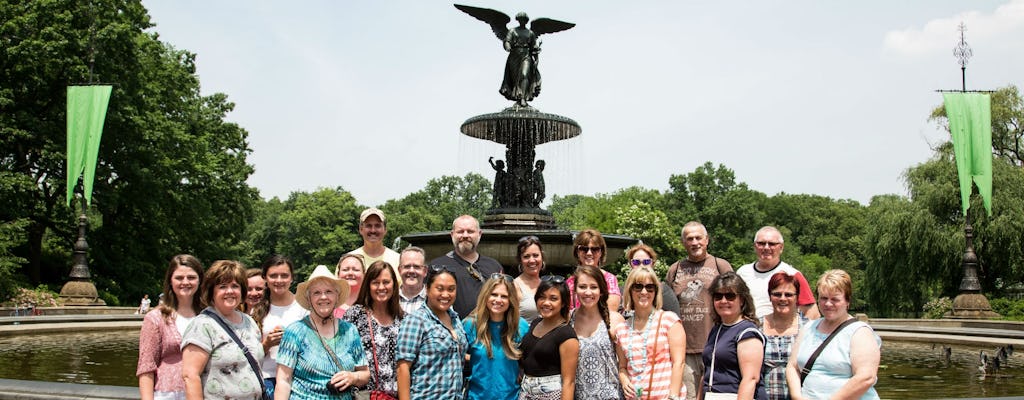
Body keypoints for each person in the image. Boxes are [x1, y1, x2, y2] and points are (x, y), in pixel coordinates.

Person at [275, 265, 370, 399]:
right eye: (316, 293)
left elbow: (365, 374)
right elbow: (283, 380)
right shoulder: (295, 331)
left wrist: (353, 377)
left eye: (329, 291)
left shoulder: (350, 330)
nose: (323, 297)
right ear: (309, 299)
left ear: (337, 297)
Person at [664, 221, 734, 400]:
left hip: (716, 346)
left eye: (698, 238)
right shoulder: (675, 269)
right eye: (689, 239)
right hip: (684, 351)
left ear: (707, 240)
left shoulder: (720, 265)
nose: (695, 242)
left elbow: (736, 301)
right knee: (688, 396)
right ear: (683, 243)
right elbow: (665, 308)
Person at [785, 270, 880, 400]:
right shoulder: (808, 328)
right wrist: (797, 397)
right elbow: (792, 366)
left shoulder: (860, 332)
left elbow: (866, 377)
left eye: (835, 299)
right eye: (823, 298)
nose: (828, 304)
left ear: (847, 301)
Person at [181, 260, 264, 400]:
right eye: (223, 286)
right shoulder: (202, 325)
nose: (230, 291)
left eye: (235, 286)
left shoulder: (249, 322)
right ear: (211, 291)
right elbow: (190, 375)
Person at [396, 265, 469, 400]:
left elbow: (455, 354)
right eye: (439, 289)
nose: (446, 295)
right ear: (428, 290)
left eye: (451, 289)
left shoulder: (455, 319)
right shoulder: (416, 321)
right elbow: (403, 368)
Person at [137, 254, 203, 400]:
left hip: (204, 392)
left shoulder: (207, 316)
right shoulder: (156, 318)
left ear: (200, 280)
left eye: (191, 277)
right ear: (170, 281)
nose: (185, 282)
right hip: (168, 393)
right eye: (179, 278)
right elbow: (146, 367)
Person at [614, 267, 685, 400]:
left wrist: (673, 396)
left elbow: (679, 363)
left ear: (656, 291)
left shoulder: (669, 320)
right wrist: (624, 381)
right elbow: (622, 367)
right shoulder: (621, 329)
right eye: (638, 287)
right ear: (630, 290)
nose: (644, 291)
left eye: (650, 287)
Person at [342, 260, 405, 399]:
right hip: (364, 395)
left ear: (394, 285)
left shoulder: (403, 319)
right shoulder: (355, 315)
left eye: (386, 282)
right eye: (375, 282)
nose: (381, 287)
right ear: (368, 285)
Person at [702, 272, 767, 400]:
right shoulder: (717, 329)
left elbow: (750, 379)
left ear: (742, 300)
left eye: (730, 296)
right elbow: (707, 372)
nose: (723, 301)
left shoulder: (748, 333)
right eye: (718, 296)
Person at [463, 274, 529, 400]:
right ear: (486, 296)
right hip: (477, 396)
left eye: (504, 296)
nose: (498, 300)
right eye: (493, 294)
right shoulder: (470, 324)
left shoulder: (521, 326)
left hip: (511, 396)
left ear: (511, 300)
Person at [250, 255, 307, 397]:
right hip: (268, 377)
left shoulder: (303, 307)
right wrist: (267, 344)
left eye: (284, 276)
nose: (279, 280)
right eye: (273, 276)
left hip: (298, 378)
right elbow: (251, 353)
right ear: (265, 278)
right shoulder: (256, 310)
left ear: (292, 278)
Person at [429, 215, 504, 318]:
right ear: (452, 235)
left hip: (487, 330)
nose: (465, 235)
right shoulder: (437, 266)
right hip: (450, 329)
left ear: (479, 234)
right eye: (460, 232)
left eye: (470, 231)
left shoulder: (494, 266)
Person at [736, 227, 818, 320]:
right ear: (755, 246)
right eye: (761, 243)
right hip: (747, 330)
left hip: (777, 331)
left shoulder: (792, 274)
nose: (766, 247)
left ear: (781, 247)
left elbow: (812, 313)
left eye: (772, 244)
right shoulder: (742, 272)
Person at [519, 275, 579, 400]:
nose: (546, 303)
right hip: (526, 393)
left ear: (563, 303)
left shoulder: (566, 334)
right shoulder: (535, 323)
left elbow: (569, 382)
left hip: (551, 395)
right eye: (542, 297)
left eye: (553, 298)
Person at [571, 265, 625, 400]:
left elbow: (625, 366)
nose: (588, 292)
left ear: (601, 291)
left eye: (593, 287)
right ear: (575, 290)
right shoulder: (567, 320)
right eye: (582, 287)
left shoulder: (615, 320)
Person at [760, 273, 808, 400]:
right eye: (777, 294)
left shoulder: (809, 328)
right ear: (770, 296)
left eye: (788, 294)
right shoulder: (756, 326)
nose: (782, 298)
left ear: (797, 297)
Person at [565, 229, 621, 312]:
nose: (589, 253)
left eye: (595, 249)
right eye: (584, 249)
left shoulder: (609, 280)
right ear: (577, 252)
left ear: (601, 252)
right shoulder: (570, 283)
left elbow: (611, 312)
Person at [624, 243, 680, 316]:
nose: (641, 265)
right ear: (630, 264)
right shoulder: (622, 290)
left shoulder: (664, 291)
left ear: (653, 264)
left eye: (646, 262)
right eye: (636, 262)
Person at [513, 235, 545, 322]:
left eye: (535, 255)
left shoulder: (546, 284)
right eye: (526, 256)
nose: (532, 260)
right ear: (520, 260)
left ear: (542, 257)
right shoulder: (514, 286)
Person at [398, 246, 428, 314]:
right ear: (399, 270)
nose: (411, 271)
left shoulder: (435, 299)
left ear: (425, 271)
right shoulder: (389, 299)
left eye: (416, 267)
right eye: (407, 266)